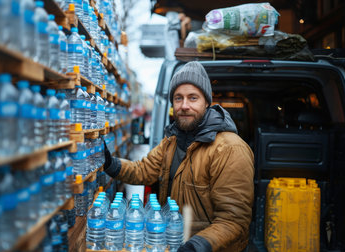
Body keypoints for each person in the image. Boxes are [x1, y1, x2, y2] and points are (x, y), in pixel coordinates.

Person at [103, 61, 254, 252]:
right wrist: (109, 163)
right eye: (178, 98)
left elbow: (233, 221)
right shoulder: (172, 142)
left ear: (207, 102)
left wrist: (196, 246)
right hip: (175, 243)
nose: (184, 106)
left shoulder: (229, 149)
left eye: (193, 98)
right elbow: (143, 170)